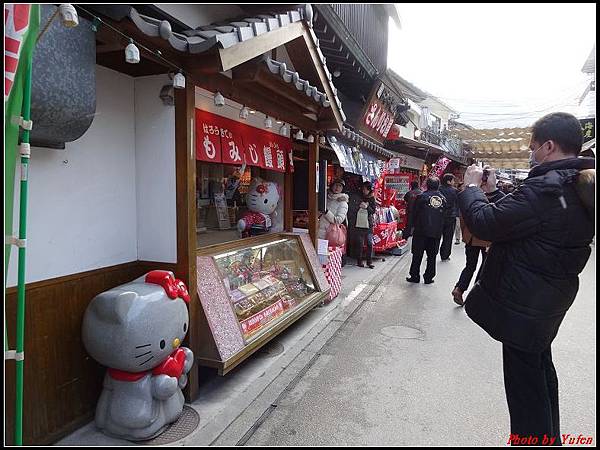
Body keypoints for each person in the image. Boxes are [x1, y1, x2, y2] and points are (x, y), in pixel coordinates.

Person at [458, 112, 595, 445]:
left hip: (524, 307)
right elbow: (516, 223)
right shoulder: (575, 186)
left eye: (534, 147)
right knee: (541, 379)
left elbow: (485, 225)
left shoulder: (547, 189)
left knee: (525, 395)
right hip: (544, 306)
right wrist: (490, 194)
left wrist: (471, 188)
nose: (531, 153)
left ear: (548, 146)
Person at [451, 180, 505, 306]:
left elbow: (463, 216)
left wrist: (465, 236)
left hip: (471, 237)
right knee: (485, 267)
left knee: (470, 266)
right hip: (487, 239)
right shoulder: (498, 198)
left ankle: (459, 288)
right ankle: (474, 295)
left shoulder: (471, 196)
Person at [406, 176, 447, 284]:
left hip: (421, 231)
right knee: (432, 256)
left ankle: (415, 275)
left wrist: (409, 229)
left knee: (417, 255)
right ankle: (429, 277)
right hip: (436, 232)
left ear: (427, 185)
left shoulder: (421, 197)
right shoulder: (443, 199)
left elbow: (413, 214)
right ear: (438, 185)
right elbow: (445, 216)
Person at [347, 181, 377, 268]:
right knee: (359, 243)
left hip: (368, 224)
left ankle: (369, 261)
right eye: (362, 188)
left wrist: (367, 207)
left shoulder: (372, 198)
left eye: (365, 189)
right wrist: (359, 206)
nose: (363, 190)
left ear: (369, 190)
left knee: (369, 243)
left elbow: (373, 211)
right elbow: (352, 208)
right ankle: (359, 261)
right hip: (358, 223)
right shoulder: (358, 196)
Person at [439, 173, 459, 260]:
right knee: (448, 237)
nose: (454, 182)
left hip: (438, 216)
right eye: (453, 180)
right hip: (451, 216)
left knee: (436, 237)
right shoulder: (454, 191)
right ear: (448, 181)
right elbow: (457, 203)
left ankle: (431, 254)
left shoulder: (438, 189)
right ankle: (445, 255)